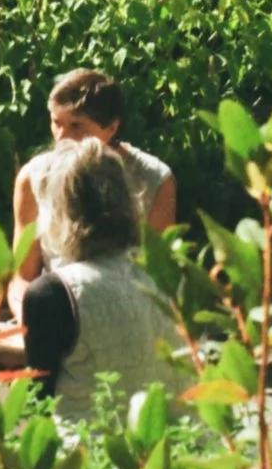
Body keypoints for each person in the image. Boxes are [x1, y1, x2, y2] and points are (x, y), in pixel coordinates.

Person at [14, 140, 189, 421]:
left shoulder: (52, 294)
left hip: (93, 445)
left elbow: (39, 408)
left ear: (60, 211)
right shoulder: (170, 276)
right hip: (180, 440)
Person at [11, 70, 175, 283]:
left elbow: (159, 275)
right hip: (56, 297)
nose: (62, 137)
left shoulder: (154, 179)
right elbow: (22, 278)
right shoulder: (33, 178)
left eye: (76, 126)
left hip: (127, 295)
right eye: (57, 123)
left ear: (111, 128)